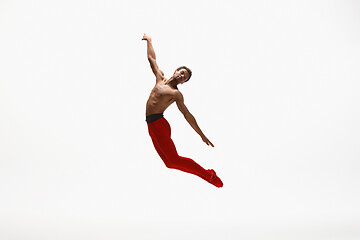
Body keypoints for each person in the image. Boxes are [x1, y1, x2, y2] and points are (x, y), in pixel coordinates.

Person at [142, 33, 223, 188]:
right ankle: (208, 174)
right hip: (151, 126)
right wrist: (149, 40)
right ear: (176, 70)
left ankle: (209, 175)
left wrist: (201, 134)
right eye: (181, 73)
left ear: (183, 82)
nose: (181, 76)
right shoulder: (160, 78)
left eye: (183, 78)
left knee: (174, 160)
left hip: (159, 124)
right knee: (169, 163)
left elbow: (187, 115)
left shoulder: (175, 94)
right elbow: (152, 59)